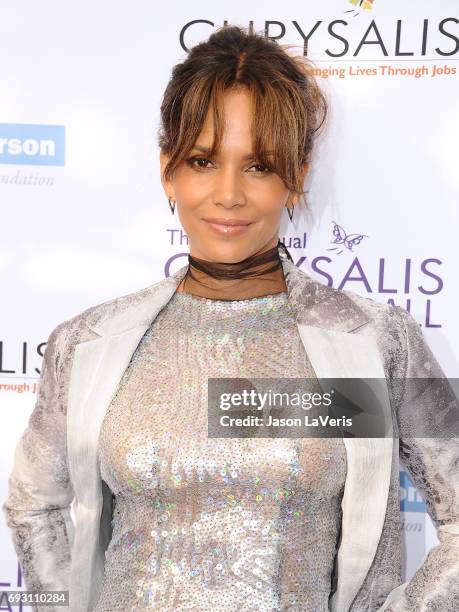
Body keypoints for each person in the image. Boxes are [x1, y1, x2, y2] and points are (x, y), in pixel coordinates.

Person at [3, 24, 459, 612]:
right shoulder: (90, 342)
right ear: (168, 168)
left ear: (295, 177)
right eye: (202, 160)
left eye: (259, 166)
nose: (227, 195)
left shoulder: (368, 342)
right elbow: (33, 504)